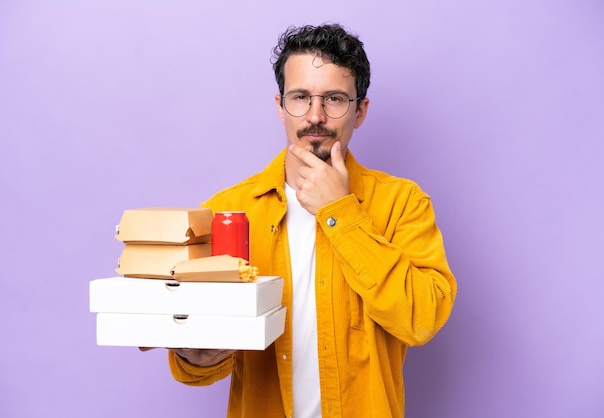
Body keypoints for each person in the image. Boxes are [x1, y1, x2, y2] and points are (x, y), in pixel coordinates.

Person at [165, 23, 457, 417]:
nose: (315, 116)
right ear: (280, 106)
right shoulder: (227, 211)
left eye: (334, 99)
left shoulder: (402, 203)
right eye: (300, 97)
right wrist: (195, 354)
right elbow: (194, 369)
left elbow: (421, 320)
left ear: (361, 111)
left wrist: (340, 213)